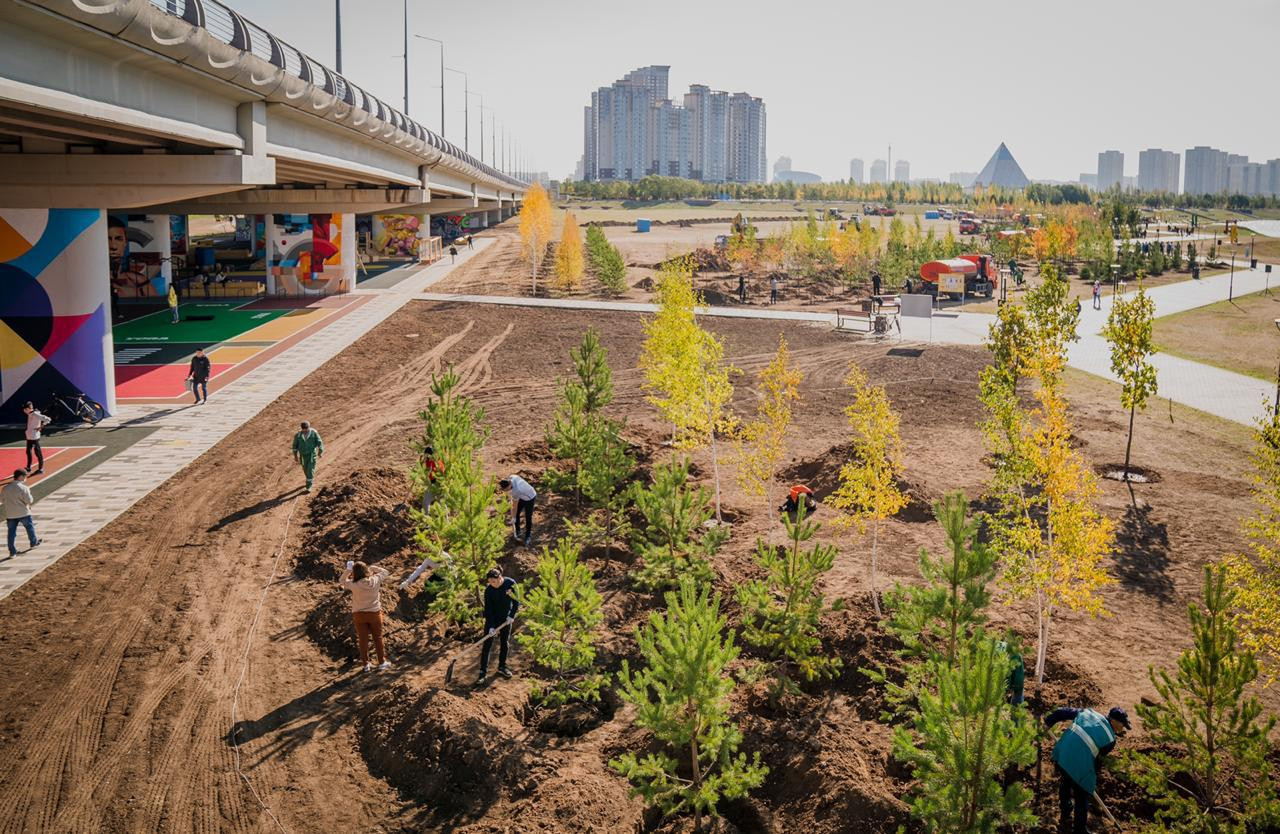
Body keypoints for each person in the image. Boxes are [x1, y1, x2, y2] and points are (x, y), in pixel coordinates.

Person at [1046, 705, 1130, 834]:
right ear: (1113, 721)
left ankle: (1065, 811)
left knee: (1066, 779)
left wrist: (1048, 722)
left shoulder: (1088, 713)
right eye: (1122, 724)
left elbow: (1061, 712)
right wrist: (1089, 781)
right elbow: (1096, 762)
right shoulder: (1110, 739)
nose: (1123, 728)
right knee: (1082, 794)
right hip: (1076, 761)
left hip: (1061, 753)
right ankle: (1079, 830)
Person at [340, 560, 391, 672]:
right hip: (374, 614)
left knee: (363, 640)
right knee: (377, 638)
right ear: (366, 570)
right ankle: (382, 662)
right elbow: (386, 572)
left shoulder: (354, 585)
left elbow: (341, 580)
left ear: (355, 573)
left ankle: (365, 665)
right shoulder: (375, 579)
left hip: (359, 615)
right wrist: (373, 567)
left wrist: (348, 570)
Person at [478, 567, 518, 682]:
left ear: (500, 578)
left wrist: (512, 615)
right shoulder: (489, 590)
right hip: (493, 619)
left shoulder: (510, 584)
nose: (491, 584)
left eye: (493, 582)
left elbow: (516, 601)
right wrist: (491, 626)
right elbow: (488, 610)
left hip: (506, 618)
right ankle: (482, 671)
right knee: (487, 644)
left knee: (504, 642)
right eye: (489, 582)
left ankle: (502, 666)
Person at [3, 470, 39, 558]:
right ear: (20, 477)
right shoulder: (23, 488)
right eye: (25, 476)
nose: (25, 478)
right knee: (29, 528)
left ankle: (12, 552)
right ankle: (33, 543)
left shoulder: (5, 488)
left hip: (10, 514)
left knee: (11, 533)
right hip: (23, 512)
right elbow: (29, 501)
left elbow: (2, 500)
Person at [499, 475, 537, 546]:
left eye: (506, 489)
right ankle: (518, 531)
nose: (506, 491)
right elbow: (512, 501)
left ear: (510, 485)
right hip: (521, 496)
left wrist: (513, 517)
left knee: (528, 517)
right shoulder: (511, 477)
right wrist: (514, 515)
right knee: (516, 514)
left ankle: (528, 536)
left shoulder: (517, 490)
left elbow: (514, 506)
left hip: (530, 498)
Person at [292, 421, 324, 492]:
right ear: (302, 429)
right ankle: (309, 479)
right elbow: (294, 446)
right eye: (304, 430)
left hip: (312, 455)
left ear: (309, 427)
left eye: (306, 429)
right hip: (303, 456)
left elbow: (320, 442)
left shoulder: (314, 433)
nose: (305, 431)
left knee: (310, 470)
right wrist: (295, 456)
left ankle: (309, 486)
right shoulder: (298, 435)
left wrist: (320, 452)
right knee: (305, 470)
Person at [22, 402, 50, 476]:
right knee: (28, 452)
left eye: (24, 409)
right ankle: (28, 467)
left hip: (34, 437)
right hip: (29, 436)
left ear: (28, 409)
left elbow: (48, 419)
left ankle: (40, 469)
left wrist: (41, 426)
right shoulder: (30, 414)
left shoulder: (35, 414)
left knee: (38, 453)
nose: (23, 411)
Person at [420, 444, 443, 514]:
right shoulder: (427, 461)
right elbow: (424, 470)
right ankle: (427, 520)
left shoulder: (437, 462)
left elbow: (442, 473)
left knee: (428, 502)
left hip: (438, 484)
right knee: (426, 502)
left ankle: (443, 521)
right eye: (426, 455)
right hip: (432, 484)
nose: (426, 456)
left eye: (427, 455)